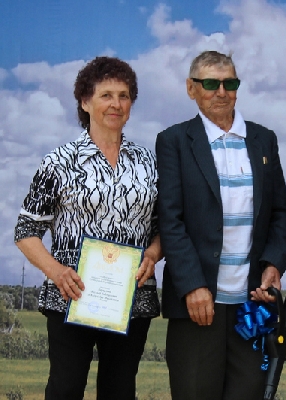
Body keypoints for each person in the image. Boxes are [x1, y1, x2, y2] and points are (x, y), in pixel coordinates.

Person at [14, 56, 162, 399]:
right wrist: (56, 272)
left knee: (119, 390)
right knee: (65, 388)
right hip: (71, 296)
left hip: (131, 298)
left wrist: (153, 254)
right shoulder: (58, 162)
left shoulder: (149, 163)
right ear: (85, 101)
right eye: (106, 95)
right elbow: (26, 230)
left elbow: (162, 227)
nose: (116, 104)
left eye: (124, 96)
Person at [156, 50, 286, 399]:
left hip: (253, 304)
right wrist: (192, 285)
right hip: (197, 304)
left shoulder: (264, 139)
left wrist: (273, 265)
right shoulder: (173, 141)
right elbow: (170, 220)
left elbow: (280, 212)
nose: (221, 92)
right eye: (211, 84)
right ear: (191, 88)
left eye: (230, 83)